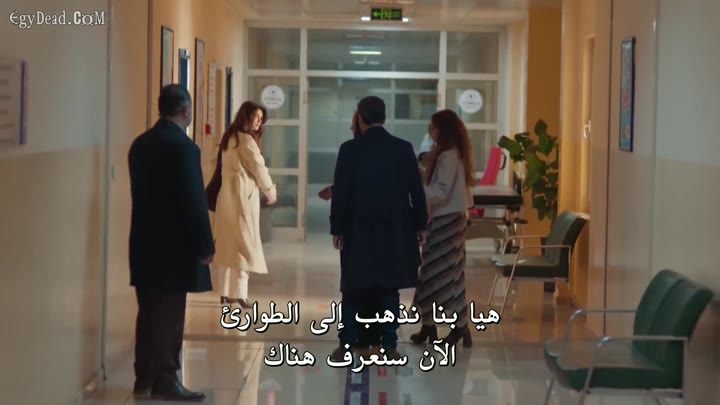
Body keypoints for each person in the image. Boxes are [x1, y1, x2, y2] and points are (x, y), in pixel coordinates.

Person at [128, 84, 214, 401]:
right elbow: (194, 201)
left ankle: (144, 377)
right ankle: (165, 379)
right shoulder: (184, 148)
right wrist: (205, 246)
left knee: (148, 312)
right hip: (174, 247)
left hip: (143, 242)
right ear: (186, 110)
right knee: (169, 317)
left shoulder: (140, 144)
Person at [329, 96, 428, 361]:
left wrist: (337, 228)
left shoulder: (349, 150)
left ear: (360, 118)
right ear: (384, 118)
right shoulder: (403, 149)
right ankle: (389, 345)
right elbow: (416, 191)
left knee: (353, 287)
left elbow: (341, 194)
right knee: (388, 287)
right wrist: (420, 224)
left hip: (357, 229)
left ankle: (346, 344)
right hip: (395, 229)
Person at [410, 109, 475, 348]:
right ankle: (429, 325)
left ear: (442, 129)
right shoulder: (449, 152)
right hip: (447, 218)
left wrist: (417, 194)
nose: (431, 130)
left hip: (447, 220)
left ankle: (459, 327)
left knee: (445, 276)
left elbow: (442, 190)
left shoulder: (448, 155)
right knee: (435, 273)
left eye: (433, 126)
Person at [212, 101, 277, 309]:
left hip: (227, 196)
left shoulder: (229, 137)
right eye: (256, 117)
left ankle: (224, 292)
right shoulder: (246, 140)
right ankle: (239, 293)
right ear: (245, 116)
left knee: (227, 244)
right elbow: (259, 168)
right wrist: (271, 191)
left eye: (261, 119)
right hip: (242, 197)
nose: (259, 122)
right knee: (244, 245)